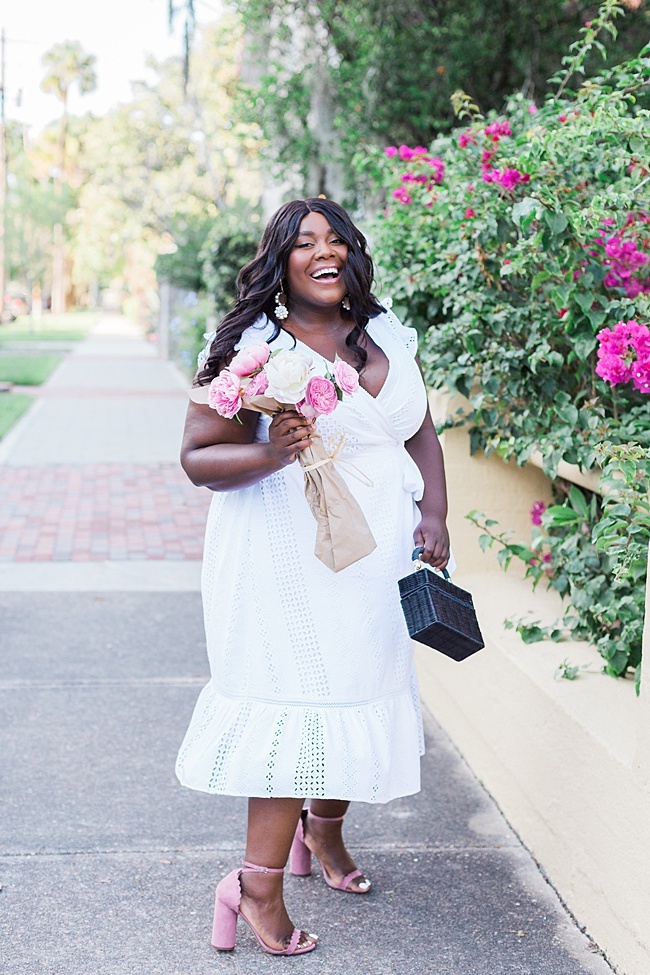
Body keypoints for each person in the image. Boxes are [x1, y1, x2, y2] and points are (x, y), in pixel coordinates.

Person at [176, 197, 450, 956]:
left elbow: (418, 430)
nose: (324, 252)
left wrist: (436, 516)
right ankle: (254, 884)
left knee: (357, 691)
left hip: (382, 545)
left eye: (336, 239)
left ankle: (322, 836)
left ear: (353, 252)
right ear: (280, 261)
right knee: (300, 705)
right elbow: (198, 455)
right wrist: (273, 449)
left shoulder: (384, 331)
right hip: (285, 552)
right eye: (304, 243)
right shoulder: (253, 344)